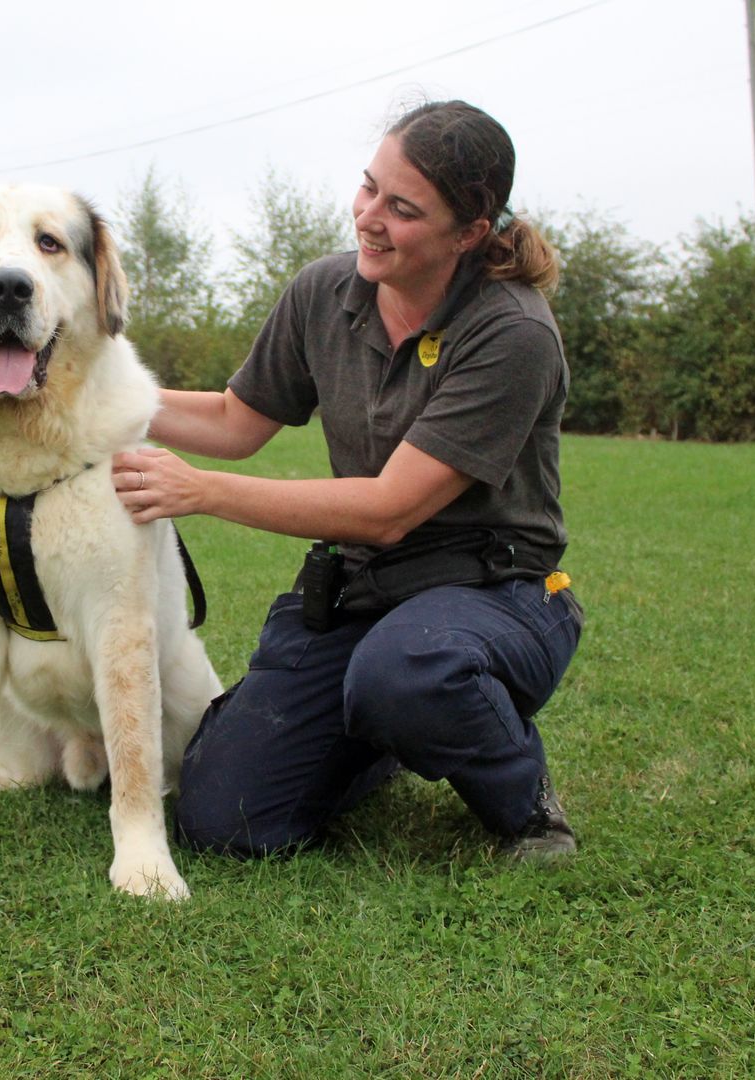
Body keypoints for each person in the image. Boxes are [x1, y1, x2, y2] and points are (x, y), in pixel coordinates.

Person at [111, 100, 584, 862]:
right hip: (361, 596)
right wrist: (106, 398)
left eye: (402, 209)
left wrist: (198, 491)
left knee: (411, 670)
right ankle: (384, 728)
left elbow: (389, 510)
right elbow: (237, 421)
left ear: (468, 233)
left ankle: (526, 808)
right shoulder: (325, 292)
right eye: (369, 188)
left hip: (497, 596)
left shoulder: (512, 333)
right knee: (225, 819)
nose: (369, 217)